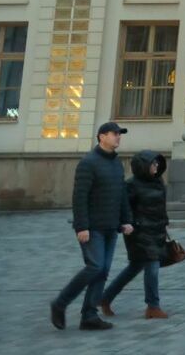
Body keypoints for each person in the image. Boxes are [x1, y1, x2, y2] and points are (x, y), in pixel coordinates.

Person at [50, 121, 134, 331]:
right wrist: (81, 227)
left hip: (110, 226)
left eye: (119, 134)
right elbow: (79, 197)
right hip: (92, 227)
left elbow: (122, 195)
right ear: (101, 137)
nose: (118, 137)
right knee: (95, 266)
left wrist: (126, 220)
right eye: (114, 134)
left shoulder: (116, 163)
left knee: (103, 271)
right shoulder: (88, 162)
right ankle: (60, 303)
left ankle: (89, 315)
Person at [99, 151, 169, 319]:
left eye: (157, 163)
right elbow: (123, 208)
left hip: (157, 230)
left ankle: (105, 298)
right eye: (153, 163)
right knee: (152, 266)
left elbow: (160, 207)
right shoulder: (131, 185)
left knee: (134, 267)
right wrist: (129, 224)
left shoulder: (158, 182)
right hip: (139, 232)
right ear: (143, 166)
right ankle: (153, 306)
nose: (156, 166)